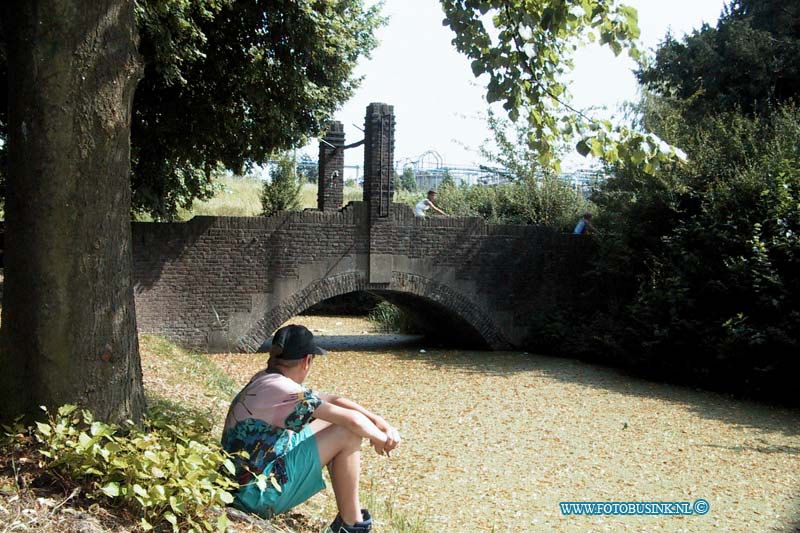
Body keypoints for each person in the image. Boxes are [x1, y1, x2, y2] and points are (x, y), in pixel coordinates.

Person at [222, 324, 400, 533]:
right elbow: (351, 421)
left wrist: (378, 421)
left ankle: (349, 522)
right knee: (348, 432)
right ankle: (352, 526)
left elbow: (332, 400)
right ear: (307, 361)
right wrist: (383, 439)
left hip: (242, 486)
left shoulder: (268, 379)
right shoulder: (283, 389)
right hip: (256, 496)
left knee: (337, 422)